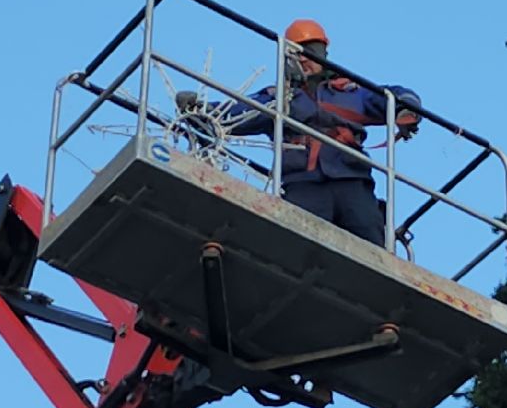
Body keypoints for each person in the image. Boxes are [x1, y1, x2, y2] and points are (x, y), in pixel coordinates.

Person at [180, 18, 421, 245]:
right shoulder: (277, 99)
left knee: (371, 242)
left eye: (312, 51)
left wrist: (406, 111)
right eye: (298, 52)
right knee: (298, 243)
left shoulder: (351, 92)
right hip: (303, 185)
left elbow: (395, 95)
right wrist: (200, 110)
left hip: (351, 180)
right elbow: (235, 113)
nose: (306, 59)